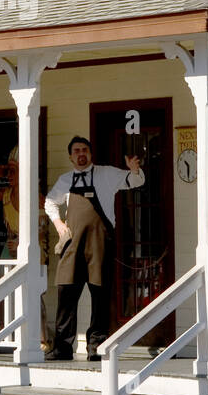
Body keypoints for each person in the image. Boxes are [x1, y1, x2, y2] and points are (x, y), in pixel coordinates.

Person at [44, 136, 144, 361]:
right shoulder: (65, 180)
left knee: (100, 295)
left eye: (85, 150)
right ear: (70, 156)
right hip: (73, 244)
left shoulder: (106, 174)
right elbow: (50, 202)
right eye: (77, 150)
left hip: (100, 244)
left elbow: (135, 181)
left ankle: (95, 347)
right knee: (66, 293)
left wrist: (135, 170)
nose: (81, 154)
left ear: (90, 154)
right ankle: (62, 348)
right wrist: (59, 224)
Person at [0, 147, 52, 350]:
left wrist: (23, 240)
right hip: (10, 249)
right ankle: (5, 333)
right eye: (9, 171)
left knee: (34, 292)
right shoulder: (7, 195)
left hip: (33, 249)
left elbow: (42, 226)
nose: (10, 176)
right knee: (2, 290)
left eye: (14, 171)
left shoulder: (35, 196)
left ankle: (42, 338)